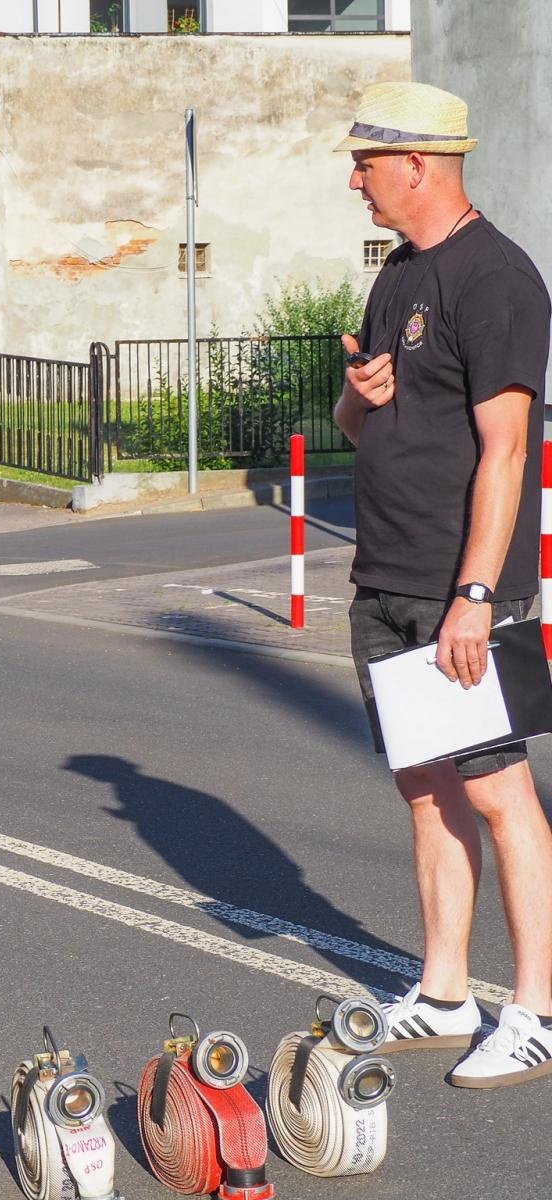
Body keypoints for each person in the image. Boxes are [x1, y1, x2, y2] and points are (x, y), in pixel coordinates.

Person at [333, 81, 552, 1088]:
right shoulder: (395, 279)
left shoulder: (497, 279)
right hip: (384, 570)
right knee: (425, 793)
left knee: (501, 795)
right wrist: (357, 394)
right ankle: (444, 989)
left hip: (455, 586)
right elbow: (358, 427)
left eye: (365, 164)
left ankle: (536, 1011)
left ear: (416, 164)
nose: (355, 182)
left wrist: (474, 594)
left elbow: (508, 453)